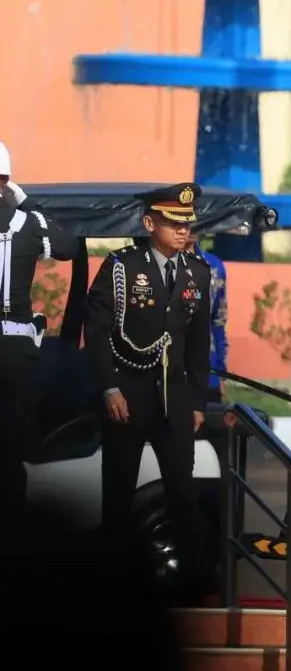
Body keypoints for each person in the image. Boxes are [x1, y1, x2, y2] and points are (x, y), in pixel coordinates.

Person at [83, 183, 212, 542]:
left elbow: (199, 343)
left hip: (176, 398)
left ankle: (191, 576)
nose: (183, 229)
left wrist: (198, 401)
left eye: (187, 223)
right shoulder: (122, 267)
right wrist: (109, 388)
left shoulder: (197, 273)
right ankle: (116, 577)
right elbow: (96, 333)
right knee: (119, 492)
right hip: (128, 393)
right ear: (149, 223)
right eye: (173, 222)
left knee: (182, 493)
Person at [0, 144, 80, 517]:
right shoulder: (28, 223)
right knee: (12, 446)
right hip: (17, 350)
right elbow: (68, 246)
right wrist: (25, 201)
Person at [182, 231, 229, 402]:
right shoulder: (153, 263)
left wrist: (221, 373)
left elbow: (218, 321)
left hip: (207, 372)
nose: (190, 228)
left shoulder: (214, 267)